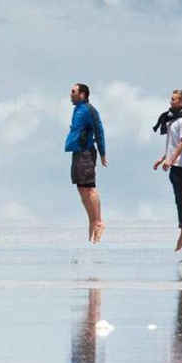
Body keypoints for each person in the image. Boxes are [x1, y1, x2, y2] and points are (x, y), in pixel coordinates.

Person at [65, 83, 107, 243]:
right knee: (81, 189)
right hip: (77, 152)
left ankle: (99, 221)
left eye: (74, 92)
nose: (71, 94)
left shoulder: (89, 110)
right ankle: (92, 221)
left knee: (89, 188)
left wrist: (102, 153)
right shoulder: (77, 109)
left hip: (86, 153)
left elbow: (99, 130)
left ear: (82, 94)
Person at [152, 89, 182, 252]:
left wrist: (171, 160)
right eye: (171, 99)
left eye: (175, 100)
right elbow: (172, 143)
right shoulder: (172, 120)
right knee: (179, 198)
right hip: (175, 163)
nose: (171, 102)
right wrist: (163, 158)